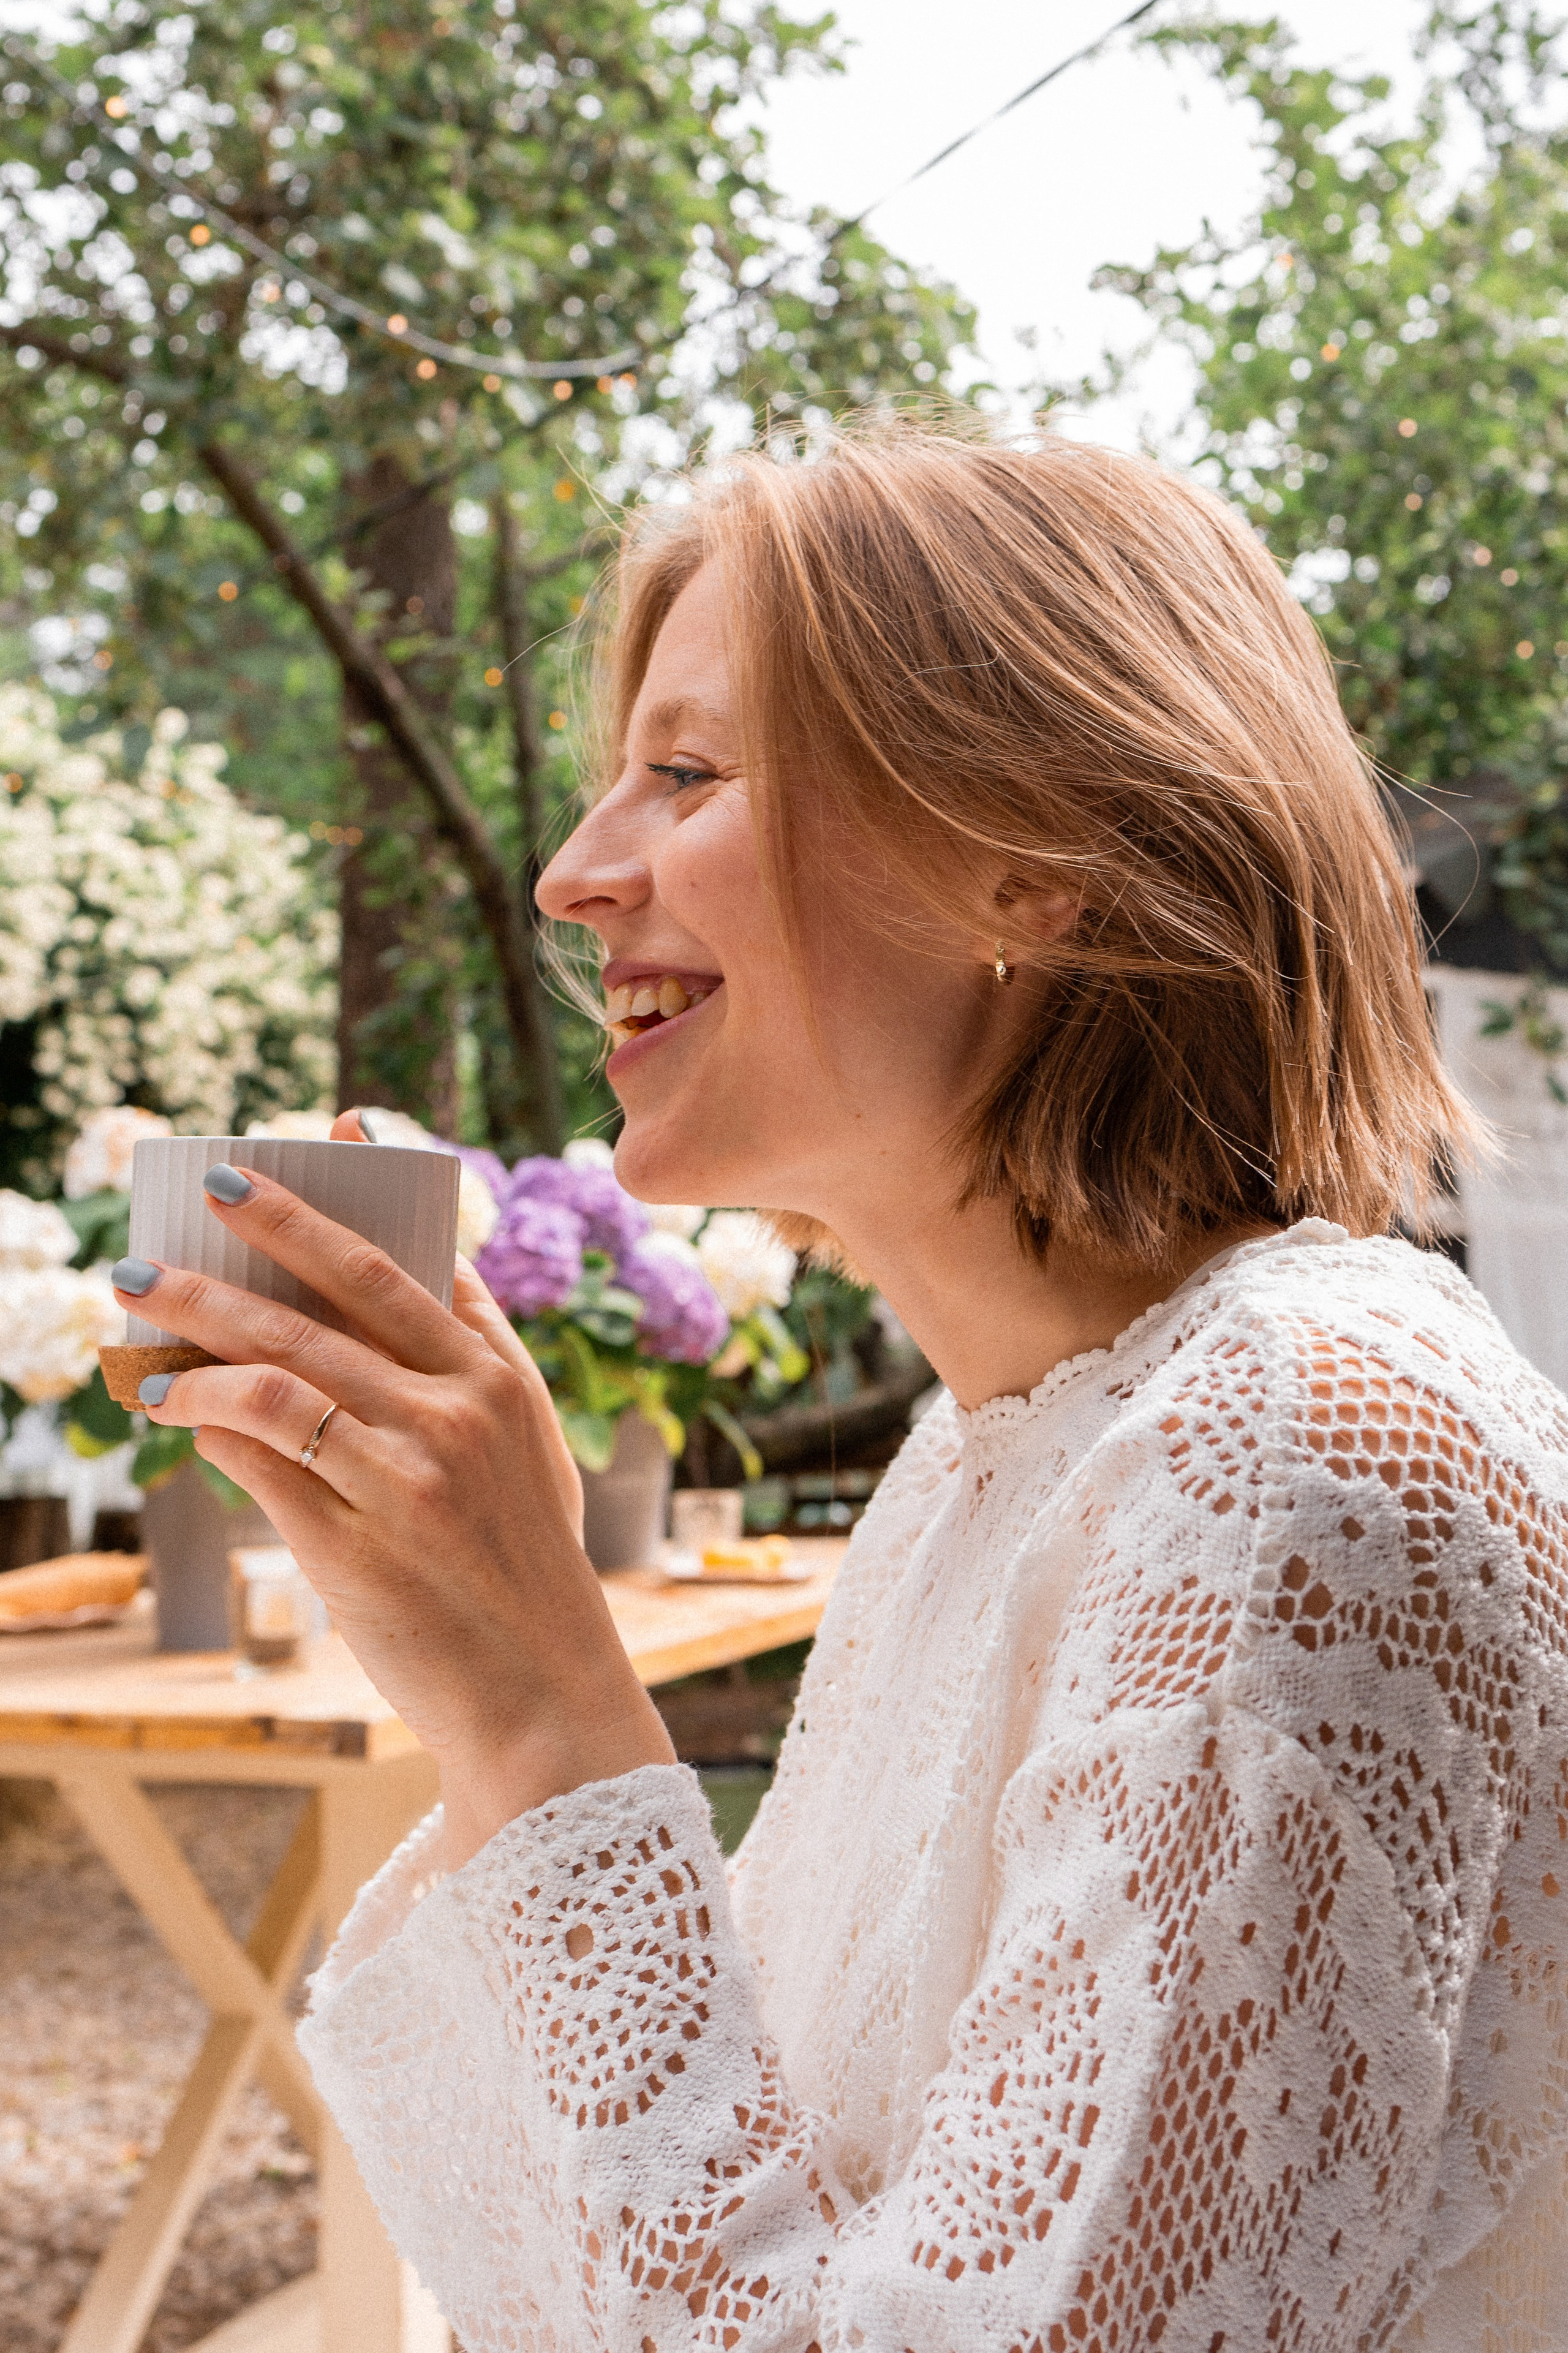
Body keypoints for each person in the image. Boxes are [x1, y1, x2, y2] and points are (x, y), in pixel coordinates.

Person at [116, 422, 1568, 2351]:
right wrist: (473, 1628)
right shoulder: (986, 1465)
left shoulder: (1300, 1437)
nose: (569, 876)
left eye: (689, 774)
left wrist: (543, 1703)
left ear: (1038, 855)